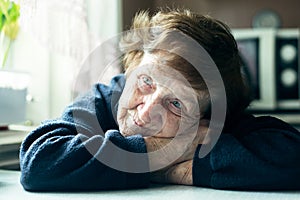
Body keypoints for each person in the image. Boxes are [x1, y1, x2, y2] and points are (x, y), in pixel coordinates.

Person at [19, 8, 300, 191]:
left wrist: (191, 168)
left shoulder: (216, 121)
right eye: (146, 81)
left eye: (176, 104)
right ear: (133, 64)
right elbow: (39, 161)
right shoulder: (105, 98)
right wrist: (167, 153)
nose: (148, 110)